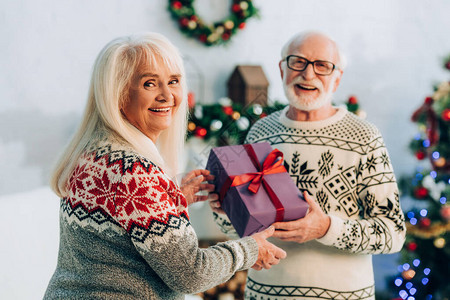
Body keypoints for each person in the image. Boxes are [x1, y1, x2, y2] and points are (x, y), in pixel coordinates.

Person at [44, 32, 287, 300]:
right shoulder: (137, 172)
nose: (167, 95)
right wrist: (249, 250)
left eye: (173, 81)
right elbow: (191, 274)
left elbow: (115, 235)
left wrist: (170, 200)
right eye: (150, 84)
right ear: (119, 94)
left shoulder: (91, 154)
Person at [210, 31, 406, 300]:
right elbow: (243, 228)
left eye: (322, 66)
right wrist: (224, 209)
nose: (308, 74)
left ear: (337, 78)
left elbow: (392, 233)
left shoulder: (364, 137)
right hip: (265, 295)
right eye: (298, 62)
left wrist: (326, 228)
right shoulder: (261, 133)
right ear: (282, 69)